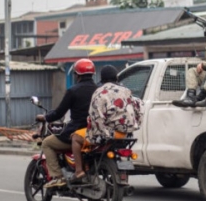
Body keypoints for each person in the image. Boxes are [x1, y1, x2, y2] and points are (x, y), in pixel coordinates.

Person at [69, 66, 144, 182]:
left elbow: (95, 116)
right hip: (125, 135)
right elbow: (139, 106)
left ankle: (79, 171)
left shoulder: (99, 92)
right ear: (116, 77)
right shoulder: (126, 91)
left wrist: (101, 131)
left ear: (102, 78)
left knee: (75, 138)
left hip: (106, 135)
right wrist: (135, 124)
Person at [36, 59, 98, 188]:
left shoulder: (73, 91)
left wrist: (45, 117)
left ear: (77, 75)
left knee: (47, 143)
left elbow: (59, 113)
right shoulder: (98, 90)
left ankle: (57, 176)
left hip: (76, 131)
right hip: (94, 133)